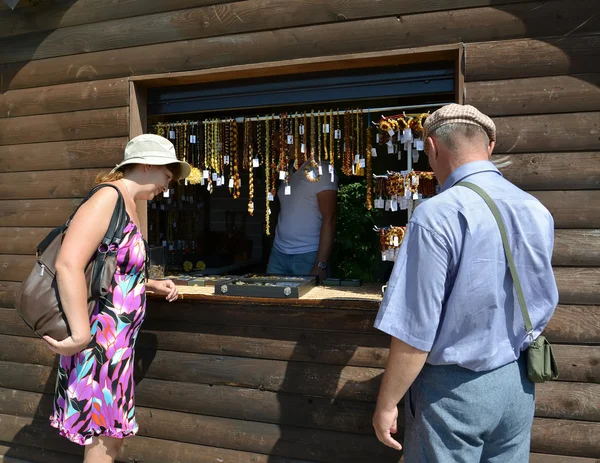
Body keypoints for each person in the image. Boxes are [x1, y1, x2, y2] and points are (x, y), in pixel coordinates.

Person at [372, 104, 558, 462]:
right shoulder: (535, 208)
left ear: (431, 148)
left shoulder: (436, 215)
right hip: (518, 383)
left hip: (453, 394)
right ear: (489, 146)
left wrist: (387, 403)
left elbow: (414, 332)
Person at [44, 134, 190, 462]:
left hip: (115, 347)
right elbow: (68, 264)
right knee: (103, 442)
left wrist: (150, 285)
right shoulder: (107, 199)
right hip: (98, 344)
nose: (168, 184)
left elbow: (111, 269)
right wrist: (80, 336)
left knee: (110, 440)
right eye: (168, 174)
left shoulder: (125, 203)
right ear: (148, 164)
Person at [266, 159, 337, 280]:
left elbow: (330, 219)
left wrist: (320, 263)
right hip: (279, 251)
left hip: (308, 253)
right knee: (271, 295)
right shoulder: (288, 169)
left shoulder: (322, 169)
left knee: (305, 298)